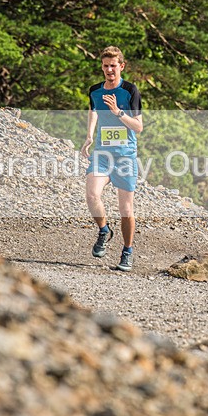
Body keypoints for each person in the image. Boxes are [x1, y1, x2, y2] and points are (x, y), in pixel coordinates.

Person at [81, 46, 143, 271]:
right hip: (102, 154)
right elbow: (94, 111)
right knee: (91, 194)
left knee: (126, 211)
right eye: (105, 65)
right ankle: (104, 230)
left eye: (113, 66)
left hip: (125, 156)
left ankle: (127, 251)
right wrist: (89, 136)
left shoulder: (130, 90)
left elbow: (139, 127)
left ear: (121, 66)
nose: (109, 70)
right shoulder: (95, 90)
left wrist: (118, 112)